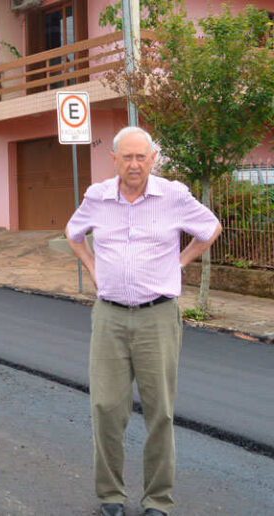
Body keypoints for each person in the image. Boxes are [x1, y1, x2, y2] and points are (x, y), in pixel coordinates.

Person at [65, 127, 221, 516]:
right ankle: (111, 496)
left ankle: (157, 500)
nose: (134, 165)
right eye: (127, 157)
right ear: (113, 159)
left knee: (160, 412)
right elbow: (73, 233)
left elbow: (210, 228)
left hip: (158, 317)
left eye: (141, 157)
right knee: (105, 407)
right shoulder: (97, 197)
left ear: (153, 159)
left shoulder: (174, 196)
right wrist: (92, 265)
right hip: (110, 317)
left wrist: (181, 263)